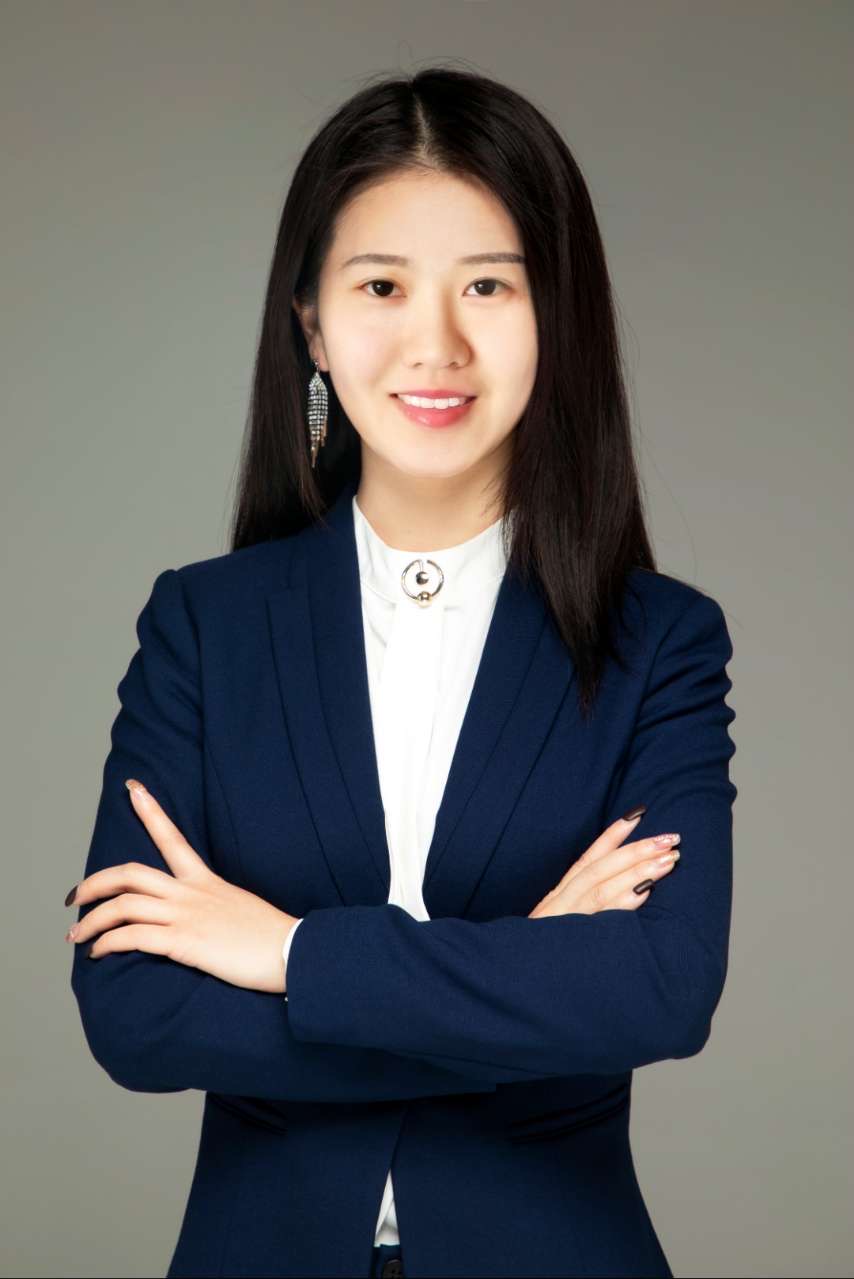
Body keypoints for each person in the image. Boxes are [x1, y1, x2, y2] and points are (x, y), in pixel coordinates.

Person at [65, 65, 737, 1279]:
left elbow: (656, 988)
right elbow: (137, 1013)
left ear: (556, 316)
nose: (436, 344)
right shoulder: (204, 628)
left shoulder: (659, 642)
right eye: (381, 286)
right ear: (312, 324)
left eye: (487, 285)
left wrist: (285, 954)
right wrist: (522, 972)